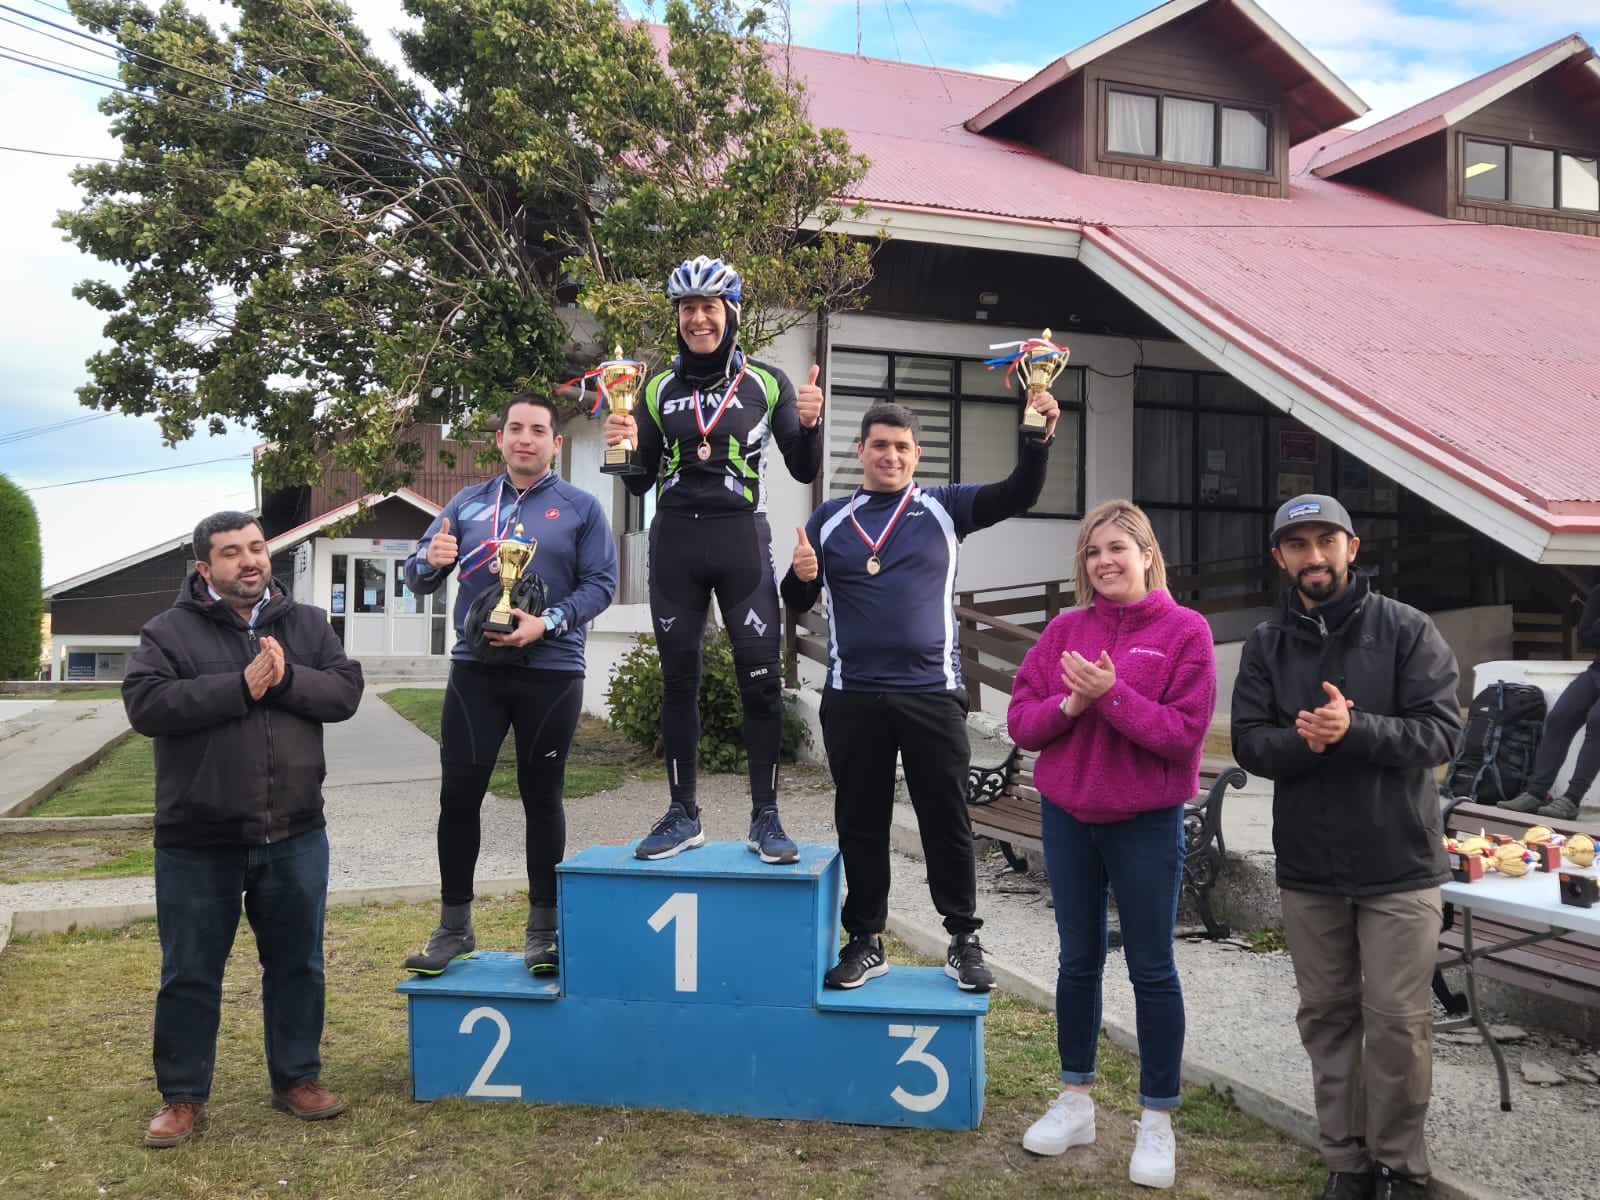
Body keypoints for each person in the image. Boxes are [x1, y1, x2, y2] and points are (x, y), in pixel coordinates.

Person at [781, 392, 1061, 993]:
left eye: (901, 447)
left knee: (946, 818)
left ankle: (962, 937)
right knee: (861, 820)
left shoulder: (943, 507)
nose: (890, 455)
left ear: (917, 455)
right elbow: (797, 600)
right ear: (859, 451)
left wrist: (1036, 438)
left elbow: (1018, 493)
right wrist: (799, 579)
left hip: (931, 692)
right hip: (853, 695)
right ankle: (865, 939)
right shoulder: (827, 519)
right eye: (879, 445)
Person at [1231, 494, 1461, 1200]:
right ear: (1280, 557)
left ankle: (1400, 1166)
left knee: (1398, 1026)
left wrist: (1355, 730)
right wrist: (1304, 739)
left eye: (1326, 540)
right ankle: (1347, 1162)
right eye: (1297, 544)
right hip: (1310, 869)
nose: (1314, 556)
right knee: (1328, 1020)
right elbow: (1248, 741)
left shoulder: (1407, 630)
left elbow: (1442, 733)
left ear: (1352, 547)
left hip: (1400, 866)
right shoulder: (1267, 643)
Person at [123, 511, 364, 1148]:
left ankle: (297, 1078)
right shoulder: (167, 632)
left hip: (294, 832)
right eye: (231, 553)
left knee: (296, 965)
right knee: (190, 972)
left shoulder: (308, 624)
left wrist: (284, 678)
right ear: (205, 568)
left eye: (256, 548)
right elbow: (147, 705)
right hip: (197, 839)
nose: (249, 560)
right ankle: (181, 1097)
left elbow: (344, 694)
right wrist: (239, 686)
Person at [1006, 501, 1215, 1190]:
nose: (1105, 561)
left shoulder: (1186, 632)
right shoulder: (1066, 629)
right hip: (1069, 817)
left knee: (1152, 968)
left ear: (1148, 555)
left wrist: (1111, 694)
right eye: (1094, 552)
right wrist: (1070, 705)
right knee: (1078, 960)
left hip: (1146, 823)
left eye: (1119, 548)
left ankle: (1157, 1120)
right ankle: (1076, 1101)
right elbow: (1022, 722)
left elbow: (1183, 734)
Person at [603, 254, 823, 864]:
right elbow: (639, 485)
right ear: (676, 316)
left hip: (739, 540)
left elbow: (803, 466)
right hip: (674, 540)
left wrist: (811, 424)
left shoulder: (768, 382)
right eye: (687, 309)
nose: (698, 319)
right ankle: (682, 812)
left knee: (760, 679)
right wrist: (621, 450)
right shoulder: (652, 388)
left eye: (709, 307)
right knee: (681, 681)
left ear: (731, 313)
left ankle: (766, 816)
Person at [402, 395, 618, 977]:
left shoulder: (581, 508)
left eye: (538, 430)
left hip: (550, 670)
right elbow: (418, 573)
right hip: (476, 670)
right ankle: (454, 927)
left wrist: (546, 622)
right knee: (458, 794)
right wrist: (428, 561)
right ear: (499, 439)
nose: (526, 439)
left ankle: (543, 933)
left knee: (541, 795)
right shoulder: (467, 503)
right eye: (515, 429)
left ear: (557, 443)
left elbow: (602, 584)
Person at [1503, 582, 1600, 819]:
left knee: (1597, 721)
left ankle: (1572, 798)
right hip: (1597, 670)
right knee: (1560, 716)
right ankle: (1536, 792)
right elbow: (1585, 637)